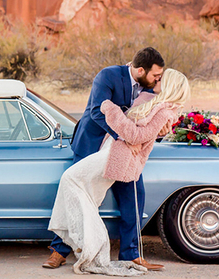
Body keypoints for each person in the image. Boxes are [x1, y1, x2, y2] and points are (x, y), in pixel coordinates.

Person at [47, 68, 190, 275]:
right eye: (156, 75)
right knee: (80, 191)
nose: (156, 79)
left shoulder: (155, 99)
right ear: (142, 69)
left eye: (160, 78)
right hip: (96, 143)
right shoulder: (110, 76)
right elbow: (98, 111)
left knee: (134, 198)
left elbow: (144, 130)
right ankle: (61, 250)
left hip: (122, 154)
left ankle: (128, 253)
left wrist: (156, 133)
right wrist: (123, 131)